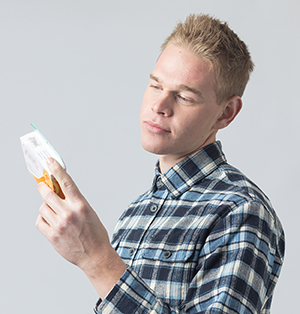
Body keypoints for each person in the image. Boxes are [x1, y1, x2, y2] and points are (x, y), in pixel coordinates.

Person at [36, 14, 285, 314]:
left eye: (183, 96)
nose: (159, 106)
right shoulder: (135, 213)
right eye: (155, 86)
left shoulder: (240, 211)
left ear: (226, 113)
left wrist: (98, 260)